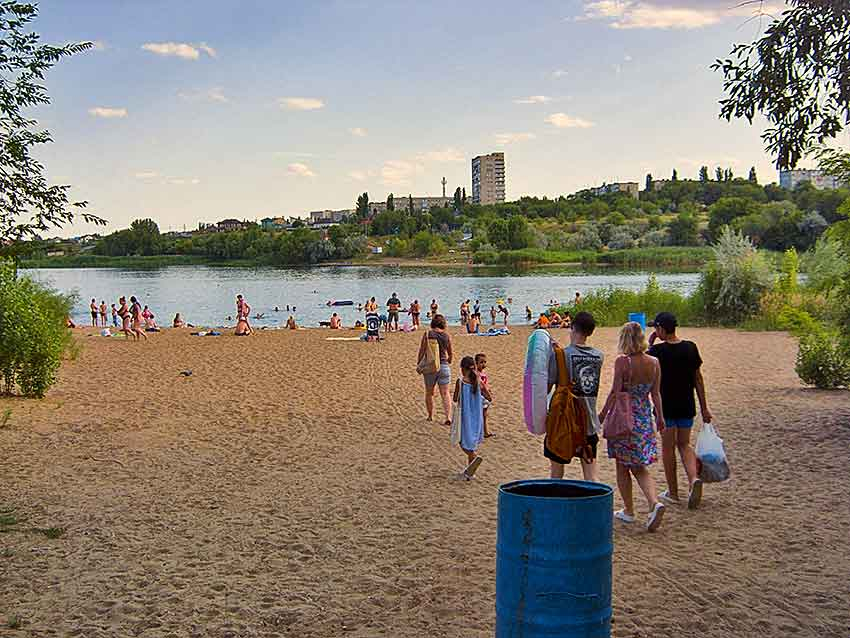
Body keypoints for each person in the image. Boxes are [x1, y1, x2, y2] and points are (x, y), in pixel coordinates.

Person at [600, 322, 665, 532]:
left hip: (624, 418)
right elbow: (655, 394)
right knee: (639, 466)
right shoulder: (654, 362)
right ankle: (654, 502)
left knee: (622, 465)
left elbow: (615, 392)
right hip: (644, 417)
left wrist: (601, 415)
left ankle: (628, 510)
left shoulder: (623, 362)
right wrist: (660, 417)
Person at [648, 312, 711, 510]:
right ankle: (693, 479)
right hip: (686, 404)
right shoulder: (690, 348)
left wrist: (651, 344)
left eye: (656, 328)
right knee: (684, 444)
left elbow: (648, 369)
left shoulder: (657, 352)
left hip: (665, 406)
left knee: (668, 448)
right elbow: (698, 379)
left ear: (661, 329)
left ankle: (673, 492)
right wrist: (704, 407)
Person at [545, 311, 603, 482]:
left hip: (563, 422)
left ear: (572, 328)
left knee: (556, 474)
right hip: (589, 422)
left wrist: (555, 354)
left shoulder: (560, 355)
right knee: (591, 476)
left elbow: (548, 387)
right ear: (591, 332)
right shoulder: (599, 356)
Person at [453, 356, 491, 479]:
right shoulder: (478, 381)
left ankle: (473, 457)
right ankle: (470, 472)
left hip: (465, 415)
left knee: (463, 442)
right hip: (476, 414)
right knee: (471, 439)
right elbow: (488, 396)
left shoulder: (461, 381)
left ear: (463, 369)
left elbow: (455, 398)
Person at [417, 314, 453, 425]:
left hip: (430, 367)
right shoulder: (446, 336)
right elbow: (450, 353)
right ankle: (448, 417)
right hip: (443, 366)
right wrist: (449, 360)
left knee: (429, 392)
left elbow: (422, 351)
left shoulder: (428, 334)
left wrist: (419, 363)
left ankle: (430, 416)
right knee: (445, 393)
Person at [475, 353, 494, 438]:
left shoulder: (483, 373)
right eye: (481, 362)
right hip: (480, 396)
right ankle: (482, 431)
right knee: (480, 414)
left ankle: (485, 431)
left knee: (484, 414)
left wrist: (489, 390)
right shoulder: (476, 374)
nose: (483, 364)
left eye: (484, 362)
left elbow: (485, 384)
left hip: (485, 396)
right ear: (476, 363)